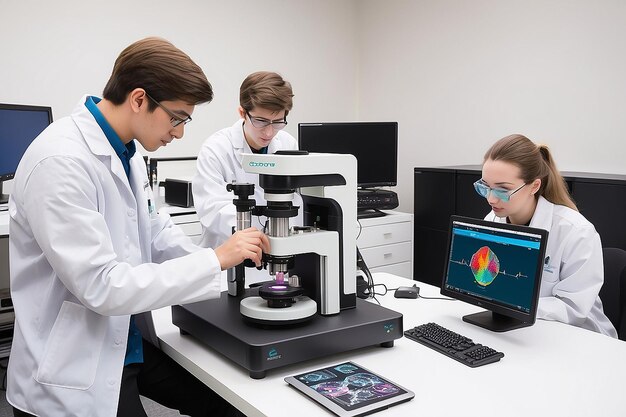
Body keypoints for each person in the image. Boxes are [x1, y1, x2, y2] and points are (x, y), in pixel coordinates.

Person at [7, 37, 269, 417]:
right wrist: (214, 261)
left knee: (228, 403)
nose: (180, 132)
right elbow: (103, 286)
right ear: (139, 99)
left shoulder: (125, 152)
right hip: (70, 366)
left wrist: (229, 262)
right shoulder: (60, 161)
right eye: (177, 118)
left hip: (124, 342)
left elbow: (156, 230)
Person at [476, 134, 616, 337]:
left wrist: (514, 305)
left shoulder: (576, 232)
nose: (490, 198)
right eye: (485, 187)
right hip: (522, 329)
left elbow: (573, 308)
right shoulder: (494, 219)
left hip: (579, 336)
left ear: (534, 186)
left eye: (502, 189)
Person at [192, 71, 301, 252]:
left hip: (278, 250)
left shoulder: (287, 144)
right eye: (261, 121)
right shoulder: (216, 149)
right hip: (230, 256)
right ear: (242, 112)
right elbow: (212, 210)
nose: (269, 132)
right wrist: (256, 234)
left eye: (277, 122)